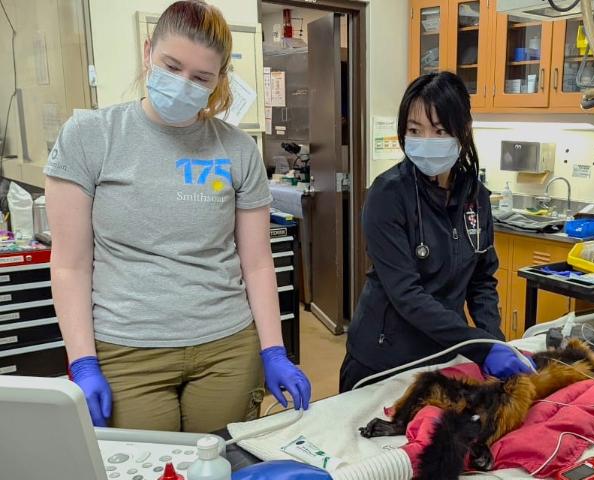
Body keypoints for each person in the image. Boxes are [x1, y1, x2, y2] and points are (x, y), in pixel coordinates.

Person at [44, 0, 311, 433]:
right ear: (148, 51)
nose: (183, 84)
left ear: (219, 80)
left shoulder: (237, 150)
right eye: (171, 66)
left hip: (227, 346)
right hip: (128, 350)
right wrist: (83, 360)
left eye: (201, 77)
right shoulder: (91, 137)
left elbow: (257, 262)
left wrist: (274, 351)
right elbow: (70, 264)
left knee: (222, 463)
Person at [339, 72, 535, 392]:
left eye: (440, 130)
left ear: (463, 131)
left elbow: (482, 280)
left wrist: (493, 340)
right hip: (384, 360)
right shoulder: (387, 196)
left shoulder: (475, 197)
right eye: (415, 130)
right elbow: (407, 295)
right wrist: (481, 347)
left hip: (443, 356)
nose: (426, 141)